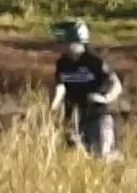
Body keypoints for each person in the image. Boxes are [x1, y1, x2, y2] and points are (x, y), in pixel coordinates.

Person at [49, 19, 123, 160]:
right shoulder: (62, 63)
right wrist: (53, 107)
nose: (60, 45)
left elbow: (116, 85)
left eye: (63, 40)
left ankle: (120, 162)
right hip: (74, 120)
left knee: (101, 157)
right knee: (74, 157)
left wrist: (104, 98)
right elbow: (60, 87)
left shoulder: (95, 61)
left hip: (98, 117)